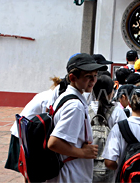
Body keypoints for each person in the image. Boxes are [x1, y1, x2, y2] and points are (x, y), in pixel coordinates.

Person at [47, 53, 106, 183]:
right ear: (73, 77)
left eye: (95, 76)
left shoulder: (66, 96)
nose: (93, 81)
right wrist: (83, 153)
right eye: (88, 77)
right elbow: (54, 143)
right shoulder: (75, 106)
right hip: (70, 173)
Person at [5, 77, 61, 173]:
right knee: (29, 168)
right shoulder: (48, 98)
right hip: (23, 133)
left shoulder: (46, 93)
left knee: (28, 169)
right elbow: (46, 120)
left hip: (22, 130)